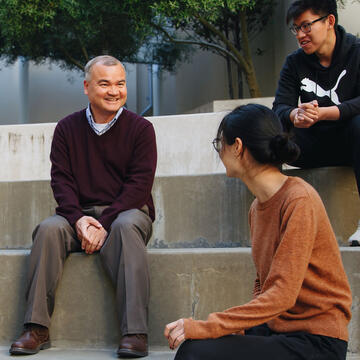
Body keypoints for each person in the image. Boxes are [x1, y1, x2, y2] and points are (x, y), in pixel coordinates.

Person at [164, 104, 352, 360]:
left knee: (196, 353)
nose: (219, 152)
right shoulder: (257, 206)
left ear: (238, 147)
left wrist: (207, 326)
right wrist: (239, 328)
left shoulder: (299, 200)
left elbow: (282, 295)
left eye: (220, 144)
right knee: (197, 347)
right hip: (278, 328)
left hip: (317, 341)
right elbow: (263, 285)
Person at [9, 55, 157, 358]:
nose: (114, 91)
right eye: (105, 84)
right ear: (87, 87)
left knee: (127, 226)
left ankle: (134, 332)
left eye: (120, 83)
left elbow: (139, 186)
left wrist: (105, 223)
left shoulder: (141, 129)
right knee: (49, 229)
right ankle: (36, 328)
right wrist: (78, 220)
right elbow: (61, 182)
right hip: (79, 215)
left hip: (127, 212)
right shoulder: (66, 129)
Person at [272, 0, 360, 245]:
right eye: (296, 28)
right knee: (265, 129)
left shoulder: (357, 51)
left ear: (330, 21)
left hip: (352, 142)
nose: (300, 35)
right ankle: (275, 224)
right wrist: (295, 115)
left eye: (306, 26)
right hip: (310, 146)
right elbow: (279, 107)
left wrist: (325, 113)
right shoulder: (294, 62)